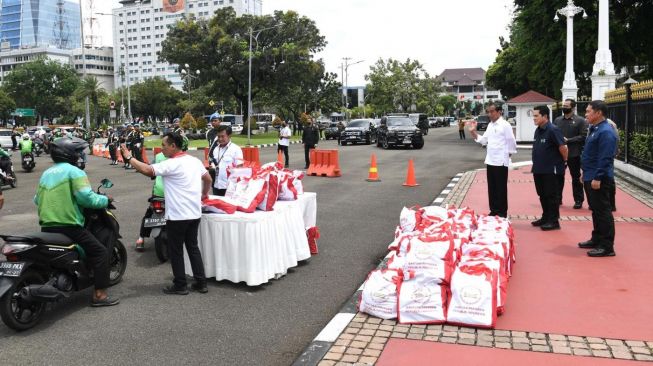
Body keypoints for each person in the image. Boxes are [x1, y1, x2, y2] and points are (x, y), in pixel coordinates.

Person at [121, 133, 212, 294]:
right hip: (194, 213)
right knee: (192, 247)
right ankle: (201, 282)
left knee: (175, 250)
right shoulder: (194, 161)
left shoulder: (171, 164)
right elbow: (208, 179)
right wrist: (204, 194)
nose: (162, 148)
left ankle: (180, 285)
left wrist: (129, 158)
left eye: (164, 145)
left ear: (173, 146)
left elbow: (148, 170)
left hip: (178, 215)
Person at [34, 137, 119, 307]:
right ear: (69, 154)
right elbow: (86, 198)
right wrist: (104, 199)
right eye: (78, 152)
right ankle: (100, 295)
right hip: (69, 227)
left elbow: (37, 199)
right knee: (101, 252)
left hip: (47, 227)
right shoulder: (75, 172)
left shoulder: (46, 173)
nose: (81, 155)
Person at [578, 100, 618, 257]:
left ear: (598, 113)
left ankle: (607, 246)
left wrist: (597, 177)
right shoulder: (595, 129)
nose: (586, 114)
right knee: (595, 210)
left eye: (588, 112)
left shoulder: (606, 132)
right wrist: (585, 173)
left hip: (598, 177)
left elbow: (605, 158)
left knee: (603, 211)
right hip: (590, 174)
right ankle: (597, 239)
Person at [467, 102, 517, 218]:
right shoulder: (490, 125)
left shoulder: (505, 125)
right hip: (490, 160)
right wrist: (473, 132)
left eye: (492, 111)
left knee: (501, 188)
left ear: (499, 112)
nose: (489, 114)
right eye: (488, 112)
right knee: (492, 188)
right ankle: (494, 210)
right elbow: (484, 140)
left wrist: (508, 156)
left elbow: (511, 141)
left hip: (501, 161)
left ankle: (502, 213)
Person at [530, 105, 568, 231]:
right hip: (539, 169)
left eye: (536, 116)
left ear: (545, 116)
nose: (533, 118)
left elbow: (563, 148)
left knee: (551, 195)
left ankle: (553, 221)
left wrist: (564, 161)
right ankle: (545, 217)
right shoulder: (538, 130)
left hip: (551, 170)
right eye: (533, 115)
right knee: (542, 195)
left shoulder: (553, 129)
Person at [553, 99, 588, 209]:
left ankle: (578, 200)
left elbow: (583, 136)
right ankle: (557, 198)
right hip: (559, 154)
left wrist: (568, 140)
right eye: (563, 105)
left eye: (566, 106)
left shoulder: (580, 121)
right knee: (558, 177)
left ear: (573, 108)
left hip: (574, 154)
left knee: (576, 178)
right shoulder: (557, 120)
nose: (564, 107)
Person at [135, 150, 167, 251]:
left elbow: (151, 172)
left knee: (150, 211)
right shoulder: (182, 158)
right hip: (174, 194)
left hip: (158, 192)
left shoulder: (158, 157)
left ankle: (141, 238)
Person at [208, 125, 243, 196]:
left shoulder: (236, 149)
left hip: (229, 188)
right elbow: (215, 163)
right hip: (216, 185)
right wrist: (212, 167)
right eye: (218, 136)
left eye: (222, 136)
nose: (220, 139)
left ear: (229, 136)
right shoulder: (216, 149)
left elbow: (240, 168)